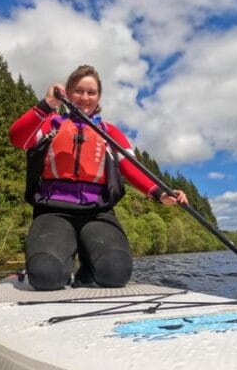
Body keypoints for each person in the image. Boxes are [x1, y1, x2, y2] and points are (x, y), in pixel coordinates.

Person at [10, 64, 188, 290]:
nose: (85, 97)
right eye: (78, 91)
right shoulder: (51, 123)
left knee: (115, 273)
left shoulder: (109, 132)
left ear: (98, 97)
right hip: (52, 210)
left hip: (97, 213)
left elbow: (131, 168)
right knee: (46, 276)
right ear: (67, 92)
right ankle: (57, 267)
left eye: (91, 92)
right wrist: (47, 105)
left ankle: (87, 271)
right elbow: (17, 138)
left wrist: (160, 193)